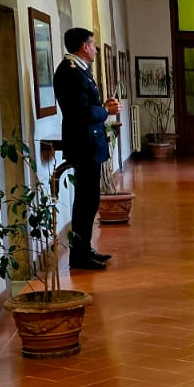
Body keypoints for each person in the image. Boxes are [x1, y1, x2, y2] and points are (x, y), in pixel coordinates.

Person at [53, 27, 119, 271]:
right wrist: (106, 112)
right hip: (83, 144)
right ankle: (79, 256)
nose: (95, 49)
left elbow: (86, 106)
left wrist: (103, 107)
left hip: (89, 142)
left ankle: (84, 249)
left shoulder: (80, 71)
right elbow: (79, 113)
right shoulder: (71, 73)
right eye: (92, 44)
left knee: (89, 201)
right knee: (85, 202)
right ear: (84, 46)